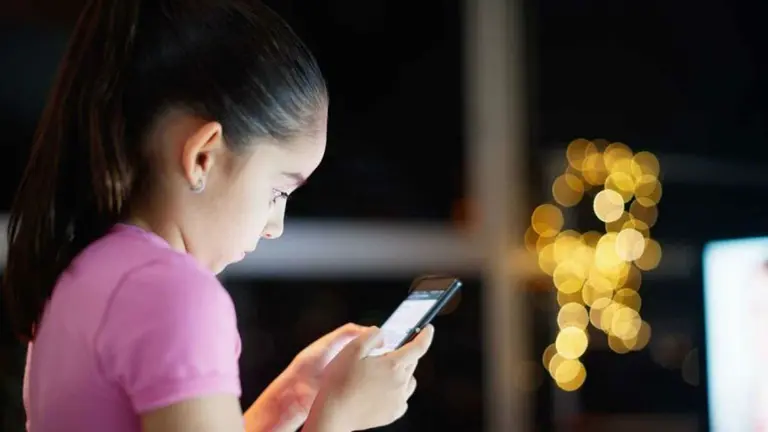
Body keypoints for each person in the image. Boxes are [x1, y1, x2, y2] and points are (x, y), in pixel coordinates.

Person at [2, 1, 434, 431]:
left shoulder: (82, 273)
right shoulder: (175, 294)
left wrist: (281, 408)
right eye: (278, 191)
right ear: (203, 156)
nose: (275, 226)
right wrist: (338, 420)